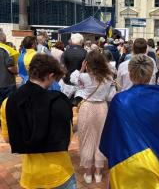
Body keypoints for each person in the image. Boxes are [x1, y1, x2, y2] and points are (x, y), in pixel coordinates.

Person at [1, 54, 75, 189]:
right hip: (60, 172)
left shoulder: (8, 102)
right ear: (50, 75)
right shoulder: (59, 101)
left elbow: (7, 138)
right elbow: (68, 138)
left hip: (31, 175)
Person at [70, 50, 116, 184]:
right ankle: (98, 173)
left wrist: (82, 68)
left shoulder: (84, 77)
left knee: (86, 139)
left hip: (87, 107)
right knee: (100, 139)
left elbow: (73, 79)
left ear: (88, 63)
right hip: (102, 108)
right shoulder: (108, 77)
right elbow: (109, 96)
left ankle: (88, 173)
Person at [60, 33, 87, 98]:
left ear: (72, 41)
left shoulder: (65, 52)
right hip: (80, 82)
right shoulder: (85, 52)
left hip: (67, 82)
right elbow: (87, 68)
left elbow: (62, 67)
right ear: (81, 41)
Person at [0, 31, 18, 105]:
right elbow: (10, 67)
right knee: (9, 105)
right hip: (7, 84)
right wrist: (17, 71)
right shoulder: (6, 50)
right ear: (2, 38)